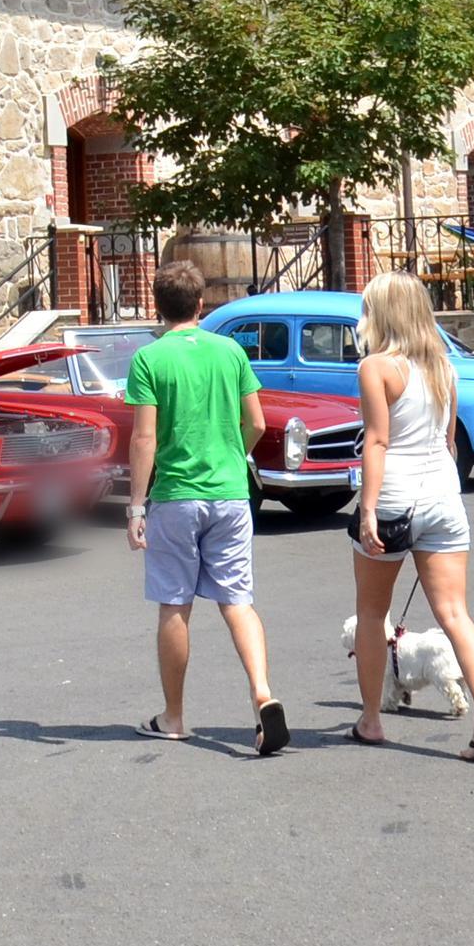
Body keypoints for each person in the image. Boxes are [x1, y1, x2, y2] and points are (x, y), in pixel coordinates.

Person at [120, 258, 287, 751]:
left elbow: (144, 438)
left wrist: (135, 506)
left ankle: (173, 716)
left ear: (158, 306)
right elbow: (257, 422)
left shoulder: (149, 359)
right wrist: (235, 456)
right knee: (238, 601)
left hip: (176, 496)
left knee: (175, 603)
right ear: (200, 304)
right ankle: (262, 693)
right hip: (230, 494)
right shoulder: (230, 351)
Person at [346, 269, 474, 762]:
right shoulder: (444, 368)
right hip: (443, 496)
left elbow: (377, 441)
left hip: (395, 496)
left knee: (372, 613)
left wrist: (367, 509)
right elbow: (449, 441)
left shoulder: (376, 367)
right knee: (455, 613)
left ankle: (371, 720)